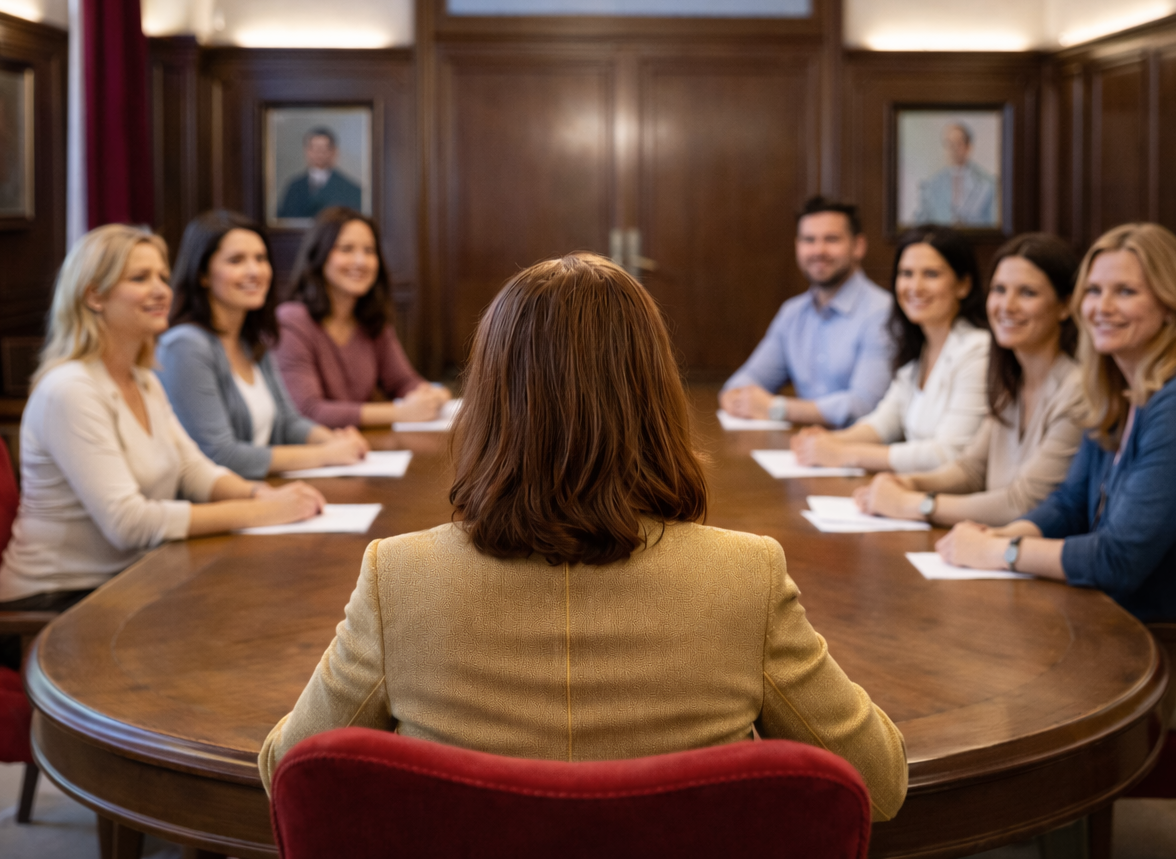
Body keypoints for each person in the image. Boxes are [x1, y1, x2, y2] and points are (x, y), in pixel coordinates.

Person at [257, 254, 909, 819]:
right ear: (657, 398)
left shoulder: (398, 577)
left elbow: (288, 769)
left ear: (489, 402)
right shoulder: (747, 576)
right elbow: (879, 785)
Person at [935, 223, 1176, 733]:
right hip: (1138, 632)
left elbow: (1118, 559)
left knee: (1012, 694)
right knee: (981, 658)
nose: (1103, 306)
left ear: (1171, 304)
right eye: (1094, 291)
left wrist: (1001, 555)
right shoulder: (1121, 392)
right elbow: (1071, 504)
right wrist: (1007, 534)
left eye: (1126, 291)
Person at [0, 225, 325, 619]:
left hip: (129, 580)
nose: (161, 290)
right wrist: (262, 513)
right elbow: (129, 522)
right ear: (94, 295)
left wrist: (258, 495)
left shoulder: (143, 377)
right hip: (54, 605)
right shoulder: (69, 389)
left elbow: (192, 469)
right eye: (139, 278)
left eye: (163, 277)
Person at [856, 233, 1088, 525]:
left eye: (1027, 293)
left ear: (1066, 305)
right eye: (999, 290)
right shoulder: (1010, 380)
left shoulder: (1078, 390)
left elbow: (1023, 502)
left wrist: (916, 505)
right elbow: (971, 470)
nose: (1007, 305)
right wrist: (909, 483)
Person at [157, 211, 369, 480]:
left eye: (260, 258)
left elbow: (287, 422)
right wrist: (325, 454)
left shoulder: (252, 339)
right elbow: (221, 456)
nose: (254, 271)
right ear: (203, 274)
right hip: (221, 508)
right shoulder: (185, 346)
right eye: (236, 260)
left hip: (263, 494)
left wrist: (333, 441)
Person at [792, 225, 989, 473]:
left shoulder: (978, 350)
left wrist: (844, 453)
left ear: (963, 285)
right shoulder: (919, 349)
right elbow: (884, 423)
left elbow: (947, 455)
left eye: (931, 274)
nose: (915, 287)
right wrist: (827, 441)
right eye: (906, 273)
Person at [719, 197, 895, 429]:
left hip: (863, 455)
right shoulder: (792, 313)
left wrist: (776, 408)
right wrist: (734, 398)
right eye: (808, 240)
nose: (818, 250)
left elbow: (865, 405)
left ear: (858, 246)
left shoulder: (883, 312)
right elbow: (746, 380)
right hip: (805, 452)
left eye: (831, 239)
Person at [273, 207, 450, 427]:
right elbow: (308, 411)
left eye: (369, 250)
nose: (360, 261)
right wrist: (399, 413)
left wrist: (432, 395)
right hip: (313, 454)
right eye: (347, 249)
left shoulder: (371, 320)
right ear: (319, 255)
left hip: (359, 450)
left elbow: (404, 382)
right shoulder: (291, 321)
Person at [911, 122, 998, 227]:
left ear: (968, 147)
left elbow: (994, 222)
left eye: (958, 144)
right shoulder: (932, 184)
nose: (953, 149)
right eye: (948, 144)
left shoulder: (987, 184)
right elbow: (921, 221)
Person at [276, 127, 366, 219]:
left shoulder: (350, 189)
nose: (318, 153)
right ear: (306, 151)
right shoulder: (293, 187)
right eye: (314, 148)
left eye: (323, 149)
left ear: (333, 152)